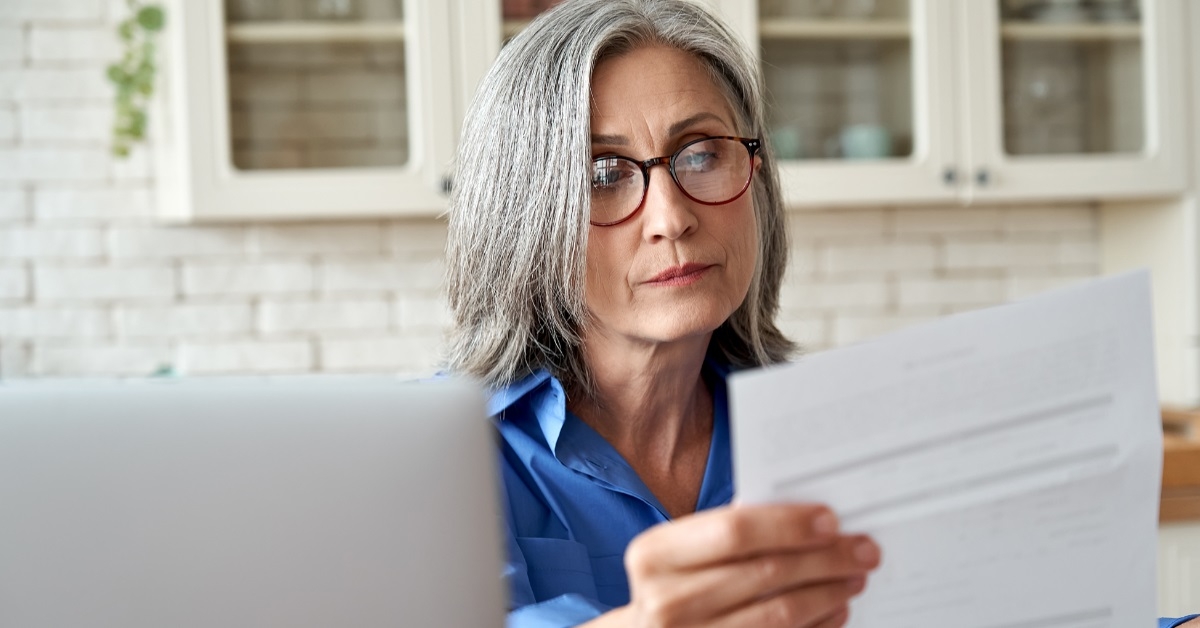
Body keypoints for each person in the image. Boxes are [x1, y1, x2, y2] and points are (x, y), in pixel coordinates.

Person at [443, 1, 1200, 626]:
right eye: (602, 173)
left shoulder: (836, 434)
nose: (671, 217)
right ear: (523, 214)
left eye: (701, 153)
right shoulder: (444, 456)